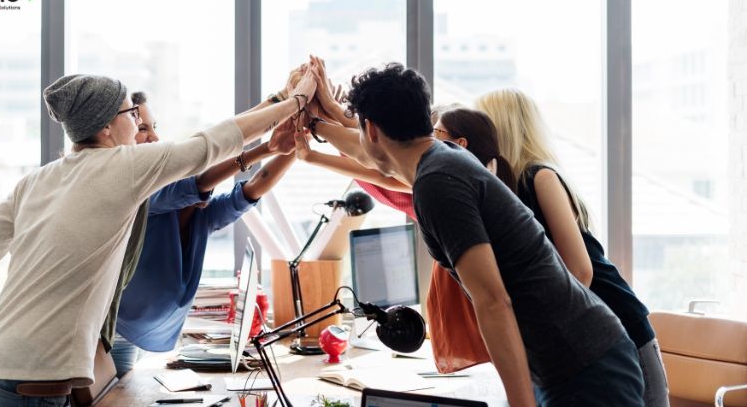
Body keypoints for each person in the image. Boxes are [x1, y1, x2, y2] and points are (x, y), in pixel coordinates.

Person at [0, 69, 317, 406]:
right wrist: (294, 101)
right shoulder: (124, 167)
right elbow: (213, 142)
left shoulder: (37, 179)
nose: (137, 121)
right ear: (107, 129)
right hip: (38, 379)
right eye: (131, 113)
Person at [343, 63, 644, 407]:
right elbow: (363, 150)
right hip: (573, 357)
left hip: (583, 365)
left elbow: (492, 300)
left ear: (371, 129)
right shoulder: (444, 158)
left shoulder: (438, 182)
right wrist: (317, 126)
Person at [475, 88, 669, 406]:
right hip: (589, 341)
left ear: (501, 128)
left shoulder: (540, 177)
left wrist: (548, 331)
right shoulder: (501, 192)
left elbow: (580, 270)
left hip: (620, 328)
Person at [106, 91, 298, 376]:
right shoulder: (142, 195)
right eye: (143, 129)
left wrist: (297, 142)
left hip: (135, 334)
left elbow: (252, 189)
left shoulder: (198, 218)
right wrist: (266, 144)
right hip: (112, 333)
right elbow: (200, 176)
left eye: (155, 127)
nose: (155, 138)